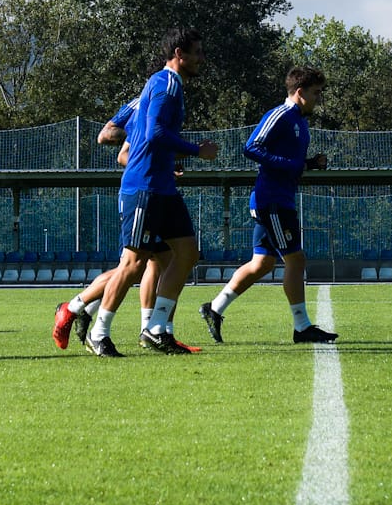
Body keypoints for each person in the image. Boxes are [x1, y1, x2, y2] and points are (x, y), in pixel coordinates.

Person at [86, 28, 217, 357]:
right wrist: (194, 150)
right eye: (197, 52)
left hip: (162, 186)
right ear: (179, 53)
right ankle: (98, 333)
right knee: (132, 264)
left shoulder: (171, 86)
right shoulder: (165, 83)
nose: (202, 58)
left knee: (186, 254)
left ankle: (157, 329)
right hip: (144, 186)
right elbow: (155, 132)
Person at [201, 66, 338, 344]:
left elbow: (288, 162)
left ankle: (214, 308)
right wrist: (291, 165)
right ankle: (302, 327)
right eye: (316, 93)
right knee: (296, 259)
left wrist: (307, 164)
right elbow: (251, 147)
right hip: (272, 201)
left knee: (262, 263)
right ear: (299, 93)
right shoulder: (282, 115)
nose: (318, 99)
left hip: (279, 199)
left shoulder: (300, 121)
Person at [51, 95, 185, 352]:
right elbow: (120, 151)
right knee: (135, 264)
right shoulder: (149, 103)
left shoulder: (157, 103)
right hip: (143, 194)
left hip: (157, 192)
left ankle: (153, 330)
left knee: (159, 261)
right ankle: (76, 309)